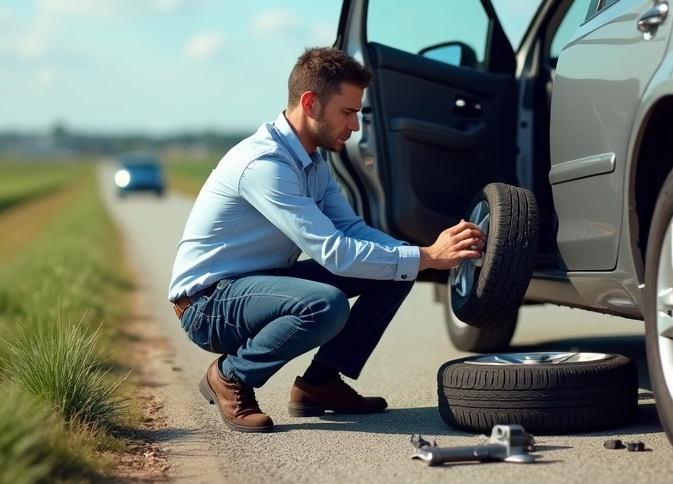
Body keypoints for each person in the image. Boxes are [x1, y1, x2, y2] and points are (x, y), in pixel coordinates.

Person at [167, 46, 487, 433]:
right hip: (209, 304)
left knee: (395, 269)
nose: (354, 127)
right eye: (348, 113)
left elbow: (349, 229)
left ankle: (320, 383)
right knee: (326, 304)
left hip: (260, 285)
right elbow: (333, 252)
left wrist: (412, 255)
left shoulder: (312, 160)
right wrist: (427, 255)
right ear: (310, 103)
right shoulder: (264, 165)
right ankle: (231, 374)